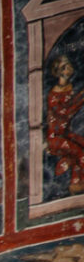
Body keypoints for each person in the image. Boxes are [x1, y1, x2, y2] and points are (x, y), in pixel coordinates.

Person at [47, 54, 84, 196]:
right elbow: (66, 112)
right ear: (59, 71)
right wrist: (81, 98)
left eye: (68, 66)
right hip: (55, 138)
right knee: (80, 153)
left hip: (65, 134)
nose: (68, 69)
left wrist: (80, 96)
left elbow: (72, 103)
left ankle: (77, 184)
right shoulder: (53, 94)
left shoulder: (69, 87)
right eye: (65, 67)